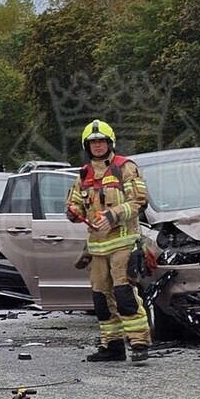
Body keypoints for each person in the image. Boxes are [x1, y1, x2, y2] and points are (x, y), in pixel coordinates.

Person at [65, 119, 151, 362]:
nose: (98, 146)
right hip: (97, 248)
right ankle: (112, 346)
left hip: (123, 242)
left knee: (124, 294)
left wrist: (113, 215)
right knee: (101, 299)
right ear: (87, 146)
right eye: (92, 142)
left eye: (101, 141)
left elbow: (138, 202)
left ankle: (139, 343)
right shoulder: (84, 174)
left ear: (110, 142)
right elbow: (75, 204)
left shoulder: (125, 167)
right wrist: (73, 211)